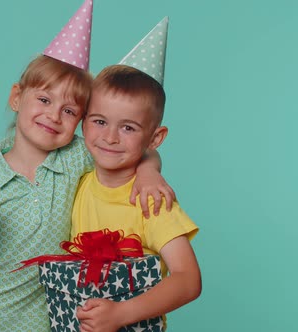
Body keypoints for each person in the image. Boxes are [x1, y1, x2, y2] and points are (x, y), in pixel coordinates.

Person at [0, 3, 174, 331]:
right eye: (44, 100)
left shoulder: (78, 157)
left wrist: (149, 171)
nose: (54, 115)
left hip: (34, 324)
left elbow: (134, 152)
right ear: (16, 98)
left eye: (69, 111)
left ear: (81, 123)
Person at [74, 18, 201, 332]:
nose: (111, 137)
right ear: (83, 123)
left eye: (128, 127)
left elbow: (188, 280)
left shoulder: (151, 200)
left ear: (155, 138)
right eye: (100, 121)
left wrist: (121, 314)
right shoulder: (77, 180)